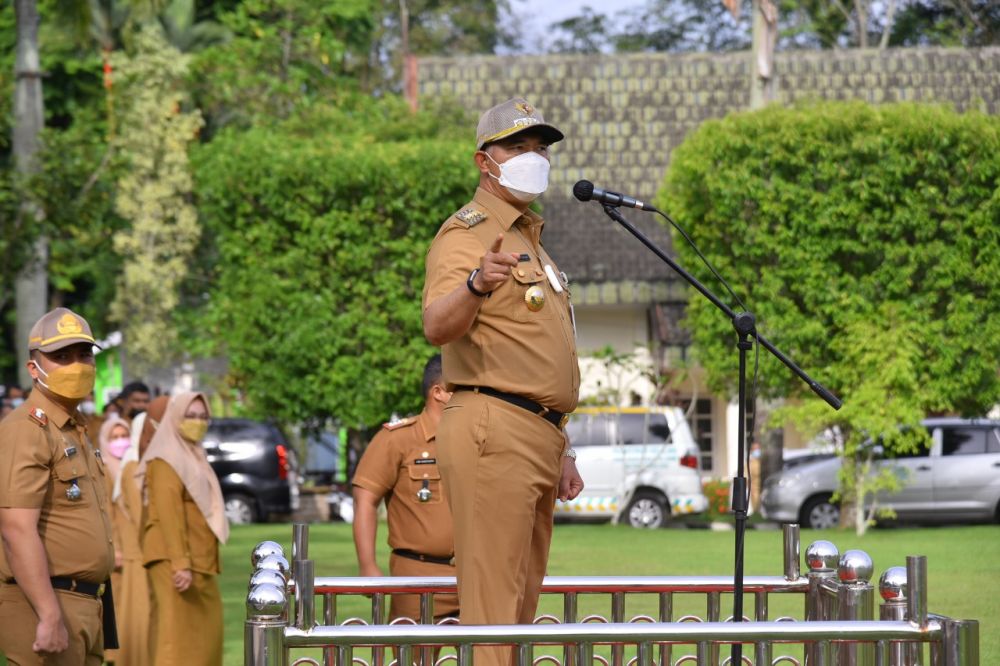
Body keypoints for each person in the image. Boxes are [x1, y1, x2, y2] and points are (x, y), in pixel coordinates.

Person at [422, 97, 584, 666]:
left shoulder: (532, 240)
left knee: (518, 607)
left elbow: (539, 359)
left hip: (538, 435)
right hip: (493, 428)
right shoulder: (468, 234)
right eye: (517, 147)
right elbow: (436, 325)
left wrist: (561, 441)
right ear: (483, 161)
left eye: (539, 148)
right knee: (493, 611)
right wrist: (474, 285)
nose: (532, 158)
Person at [0, 307, 116, 665]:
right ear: (34, 369)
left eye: (83, 355)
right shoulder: (26, 429)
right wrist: (49, 614)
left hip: (86, 603)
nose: (77, 365)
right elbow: (16, 527)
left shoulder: (73, 428)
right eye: (61, 357)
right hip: (45, 601)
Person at [352, 354, 458, 627]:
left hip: (474, 576)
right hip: (416, 577)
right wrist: (368, 566)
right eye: (465, 386)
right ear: (440, 392)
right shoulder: (398, 439)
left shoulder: (476, 440)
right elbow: (365, 500)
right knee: (415, 656)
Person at [138, 392, 228, 666]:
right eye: (190, 416)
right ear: (174, 418)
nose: (197, 422)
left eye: (203, 417)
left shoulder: (192, 455)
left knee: (205, 641)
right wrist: (180, 563)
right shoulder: (166, 457)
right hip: (174, 560)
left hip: (198, 562)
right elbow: (168, 513)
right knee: (175, 643)